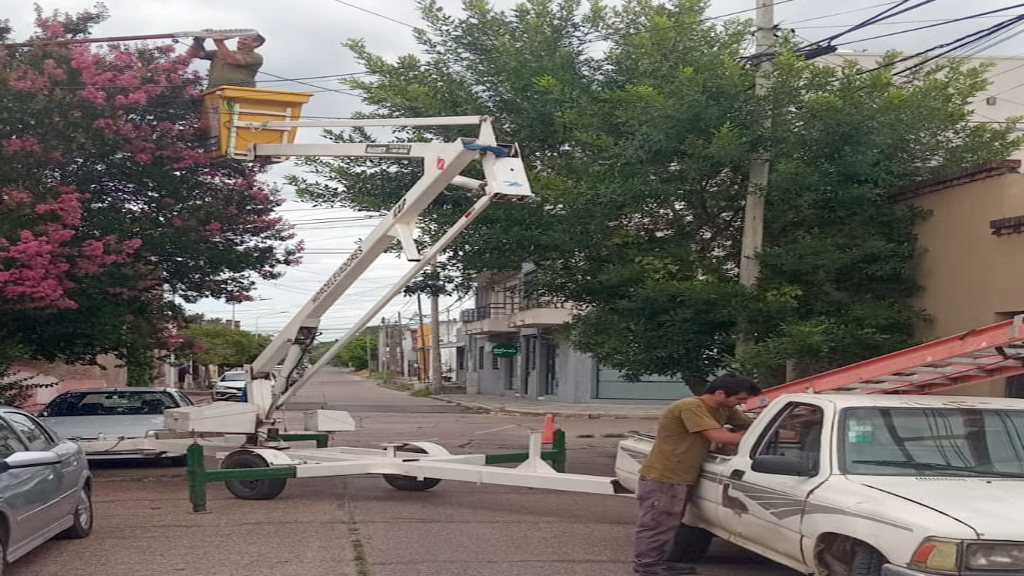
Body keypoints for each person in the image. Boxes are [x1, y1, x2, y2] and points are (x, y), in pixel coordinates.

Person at [633, 374, 761, 575]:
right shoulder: (690, 407)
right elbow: (717, 436)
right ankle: (647, 565)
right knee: (657, 522)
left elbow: (752, 428)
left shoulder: (724, 409)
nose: (743, 404)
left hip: (683, 475)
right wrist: (752, 439)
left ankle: (659, 561)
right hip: (665, 475)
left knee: (669, 523)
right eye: (740, 399)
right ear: (720, 393)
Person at [186, 32, 265, 90]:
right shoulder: (220, 52)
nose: (240, 41)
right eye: (240, 38)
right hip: (213, 91)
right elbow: (192, 54)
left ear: (256, 43)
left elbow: (232, 60)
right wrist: (198, 40)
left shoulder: (256, 57)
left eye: (245, 39)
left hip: (239, 92)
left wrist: (219, 42)